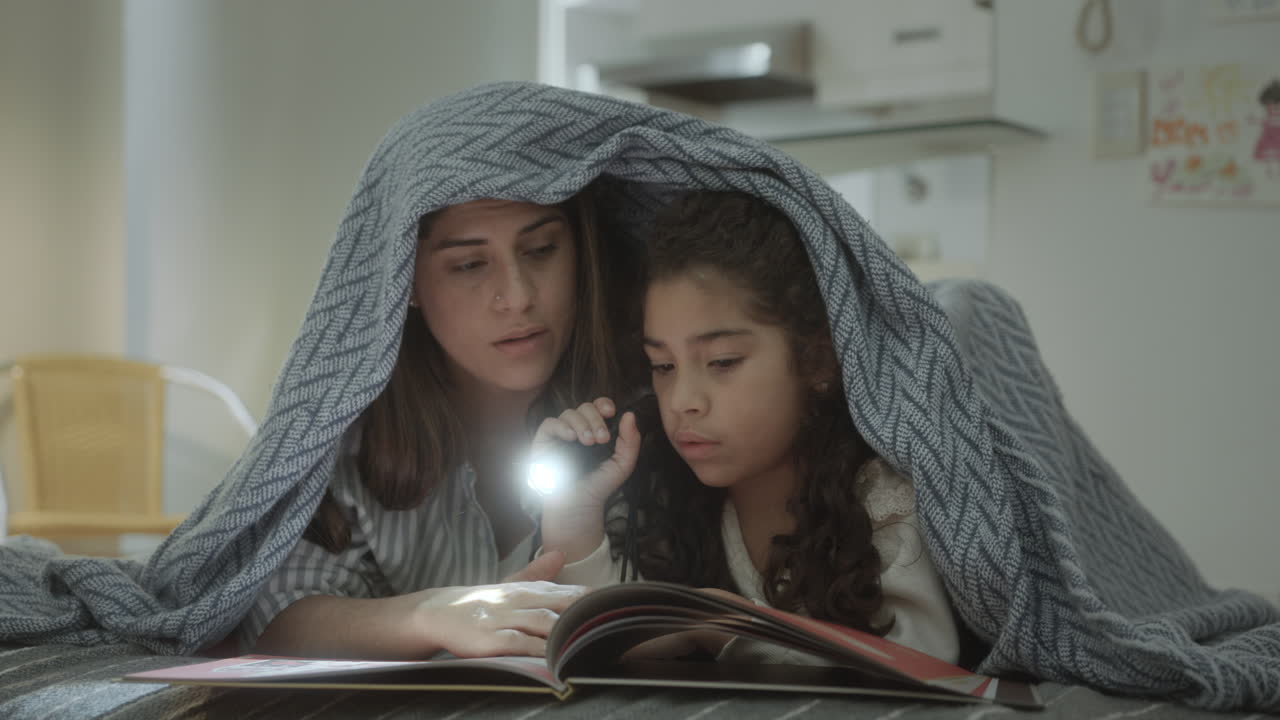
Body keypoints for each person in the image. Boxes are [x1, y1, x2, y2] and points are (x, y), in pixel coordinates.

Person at [533, 190, 961, 664]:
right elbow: (615, 646)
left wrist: (729, 628)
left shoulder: (883, 500)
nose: (683, 403)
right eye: (663, 366)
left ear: (816, 359)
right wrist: (574, 524)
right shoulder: (662, 492)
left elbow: (925, 666)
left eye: (722, 362)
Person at [241, 183, 643, 660]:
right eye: (470, 265)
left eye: (540, 251)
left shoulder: (649, 424)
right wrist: (434, 615)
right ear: (405, 283)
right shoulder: (346, 439)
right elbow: (276, 623)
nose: (517, 297)